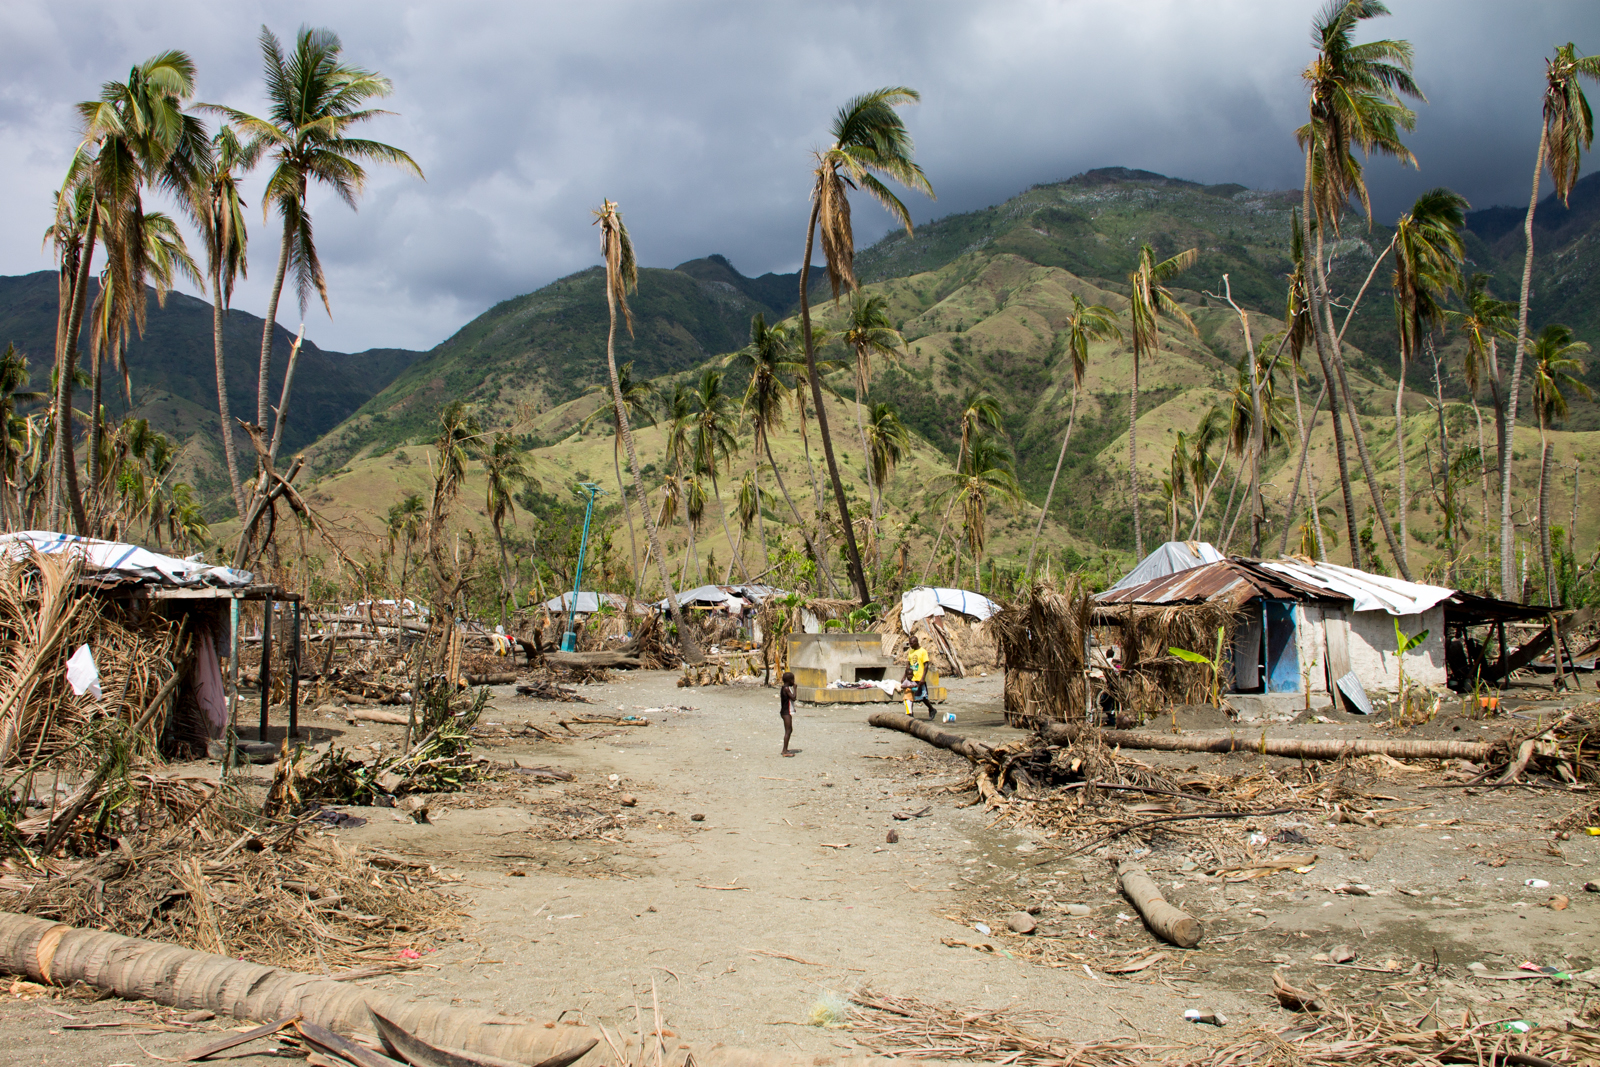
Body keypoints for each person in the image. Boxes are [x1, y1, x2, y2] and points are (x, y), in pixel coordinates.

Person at [901, 635, 937, 719]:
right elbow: (908, 665)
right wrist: (904, 676)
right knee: (910, 696)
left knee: (923, 697)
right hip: (912, 678)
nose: (910, 645)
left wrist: (923, 678)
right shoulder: (910, 652)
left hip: (920, 678)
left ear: (916, 642)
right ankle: (910, 714)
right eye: (909, 643)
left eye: (912, 643)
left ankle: (931, 709)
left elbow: (926, 665)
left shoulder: (923, 651)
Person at [779, 671, 797, 756]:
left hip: (786, 711)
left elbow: (788, 701)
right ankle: (784, 750)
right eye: (793, 680)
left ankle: (785, 749)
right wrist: (795, 689)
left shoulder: (784, 688)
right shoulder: (786, 689)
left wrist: (793, 709)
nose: (794, 681)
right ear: (790, 680)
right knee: (788, 730)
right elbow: (793, 698)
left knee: (789, 730)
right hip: (786, 712)